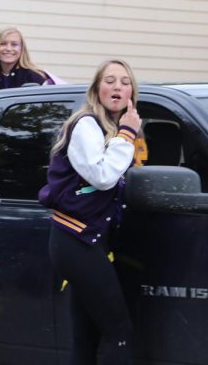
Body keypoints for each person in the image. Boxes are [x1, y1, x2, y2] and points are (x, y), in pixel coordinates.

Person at [38, 59, 142, 365]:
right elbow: (102, 176)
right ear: (96, 88)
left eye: (125, 82)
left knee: (87, 336)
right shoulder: (86, 124)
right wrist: (126, 134)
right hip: (75, 240)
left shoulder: (117, 129)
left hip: (93, 241)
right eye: (109, 80)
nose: (118, 87)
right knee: (119, 331)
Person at [0, 26, 55, 114]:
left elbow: (45, 113)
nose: (8, 49)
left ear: (21, 49)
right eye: (3, 44)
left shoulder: (37, 78)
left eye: (14, 44)